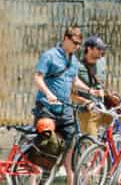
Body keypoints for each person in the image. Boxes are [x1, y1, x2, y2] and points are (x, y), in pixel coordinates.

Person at [33, 26, 102, 183]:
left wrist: (90, 91)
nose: (77, 47)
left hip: (65, 110)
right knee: (44, 149)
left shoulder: (74, 61)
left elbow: (74, 81)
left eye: (79, 44)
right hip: (47, 108)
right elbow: (37, 78)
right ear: (65, 38)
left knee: (69, 156)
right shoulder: (49, 56)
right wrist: (48, 93)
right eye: (75, 43)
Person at [73, 36, 114, 137]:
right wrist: (86, 102)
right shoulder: (77, 67)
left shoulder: (102, 62)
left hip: (104, 109)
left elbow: (102, 84)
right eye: (99, 48)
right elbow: (71, 94)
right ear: (89, 49)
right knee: (92, 145)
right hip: (88, 113)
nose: (102, 51)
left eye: (103, 49)